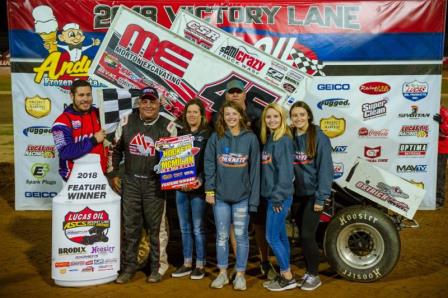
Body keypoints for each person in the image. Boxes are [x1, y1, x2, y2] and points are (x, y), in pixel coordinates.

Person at [110, 86, 177, 284]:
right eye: (144, 101)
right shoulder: (126, 121)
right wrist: (114, 173)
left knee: (156, 228)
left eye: (152, 101)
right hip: (130, 181)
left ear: (159, 104)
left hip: (154, 184)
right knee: (131, 226)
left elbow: (175, 158)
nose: (148, 105)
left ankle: (157, 267)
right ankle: (129, 266)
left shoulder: (168, 126)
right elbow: (115, 150)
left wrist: (171, 176)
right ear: (138, 103)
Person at [219, 79, 276, 280]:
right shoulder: (221, 118)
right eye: (231, 92)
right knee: (235, 224)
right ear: (226, 96)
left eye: (238, 92)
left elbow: (270, 147)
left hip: (257, 178)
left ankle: (265, 261)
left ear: (244, 95)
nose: (234, 95)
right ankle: (239, 264)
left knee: (260, 222)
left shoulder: (259, 117)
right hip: (233, 179)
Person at [204, 101, 260, 290]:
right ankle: (222, 274)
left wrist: (253, 200)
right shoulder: (216, 137)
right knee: (221, 236)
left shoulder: (250, 139)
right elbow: (209, 165)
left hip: (242, 198)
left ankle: (240, 275)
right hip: (220, 198)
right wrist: (209, 190)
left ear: (241, 116)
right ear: (223, 117)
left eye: (234, 114)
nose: (231, 117)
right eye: (227, 114)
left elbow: (255, 172)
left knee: (241, 236)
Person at [290, 101, 333, 291]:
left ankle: (315, 275)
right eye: (294, 115)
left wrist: (321, 198)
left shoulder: (319, 137)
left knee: (308, 235)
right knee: (301, 235)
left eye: (301, 114)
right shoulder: (289, 136)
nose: (298, 118)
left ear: (308, 115)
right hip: (296, 195)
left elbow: (326, 169)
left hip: (313, 196)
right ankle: (308, 271)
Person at [171, 99, 211, 280]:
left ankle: (200, 264)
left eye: (196, 112)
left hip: (197, 189)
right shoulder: (180, 134)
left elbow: (209, 162)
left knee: (198, 227)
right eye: (189, 112)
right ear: (185, 115)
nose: (192, 115)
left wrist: (201, 179)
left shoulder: (208, 134)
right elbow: (172, 161)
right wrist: (176, 178)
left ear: (201, 115)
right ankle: (187, 263)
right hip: (180, 188)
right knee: (184, 228)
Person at [259, 103, 296, 291]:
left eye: (276, 116)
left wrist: (278, 198)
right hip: (273, 196)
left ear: (282, 119)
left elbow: (285, 173)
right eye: (268, 117)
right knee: (280, 236)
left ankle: (287, 276)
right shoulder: (271, 139)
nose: (272, 120)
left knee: (271, 236)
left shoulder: (283, 140)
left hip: (278, 197)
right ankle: (285, 273)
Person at [52, 79, 106, 181]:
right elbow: (66, 152)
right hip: (74, 179)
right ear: (72, 96)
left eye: (88, 95)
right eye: (81, 95)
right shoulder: (61, 122)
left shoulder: (100, 114)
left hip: (100, 175)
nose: (86, 99)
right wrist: (93, 140)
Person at [435, 106, 448, 208]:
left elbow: (447, 131)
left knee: (439, 174)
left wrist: (442, 122)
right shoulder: (424, 109)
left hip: (441, 149)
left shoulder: (444, 112)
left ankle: (439, 199)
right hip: (427, 148)